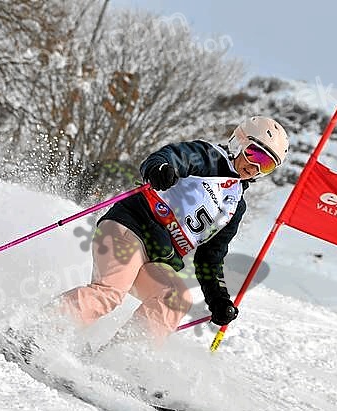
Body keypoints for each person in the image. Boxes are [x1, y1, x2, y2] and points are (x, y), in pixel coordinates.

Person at [57, 116, 289, 346]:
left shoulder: (236, 206)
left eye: (267, 165)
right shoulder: (207, 157)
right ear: (239, 142)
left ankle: (119, 356)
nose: (256, 167)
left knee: (175, 299)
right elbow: (165, 157)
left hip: (158, 259)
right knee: (110, 293)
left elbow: (210, 258)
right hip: (131, 228)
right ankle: (47, 326)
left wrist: (218, 300)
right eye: (255, 154)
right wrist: (160, 169)